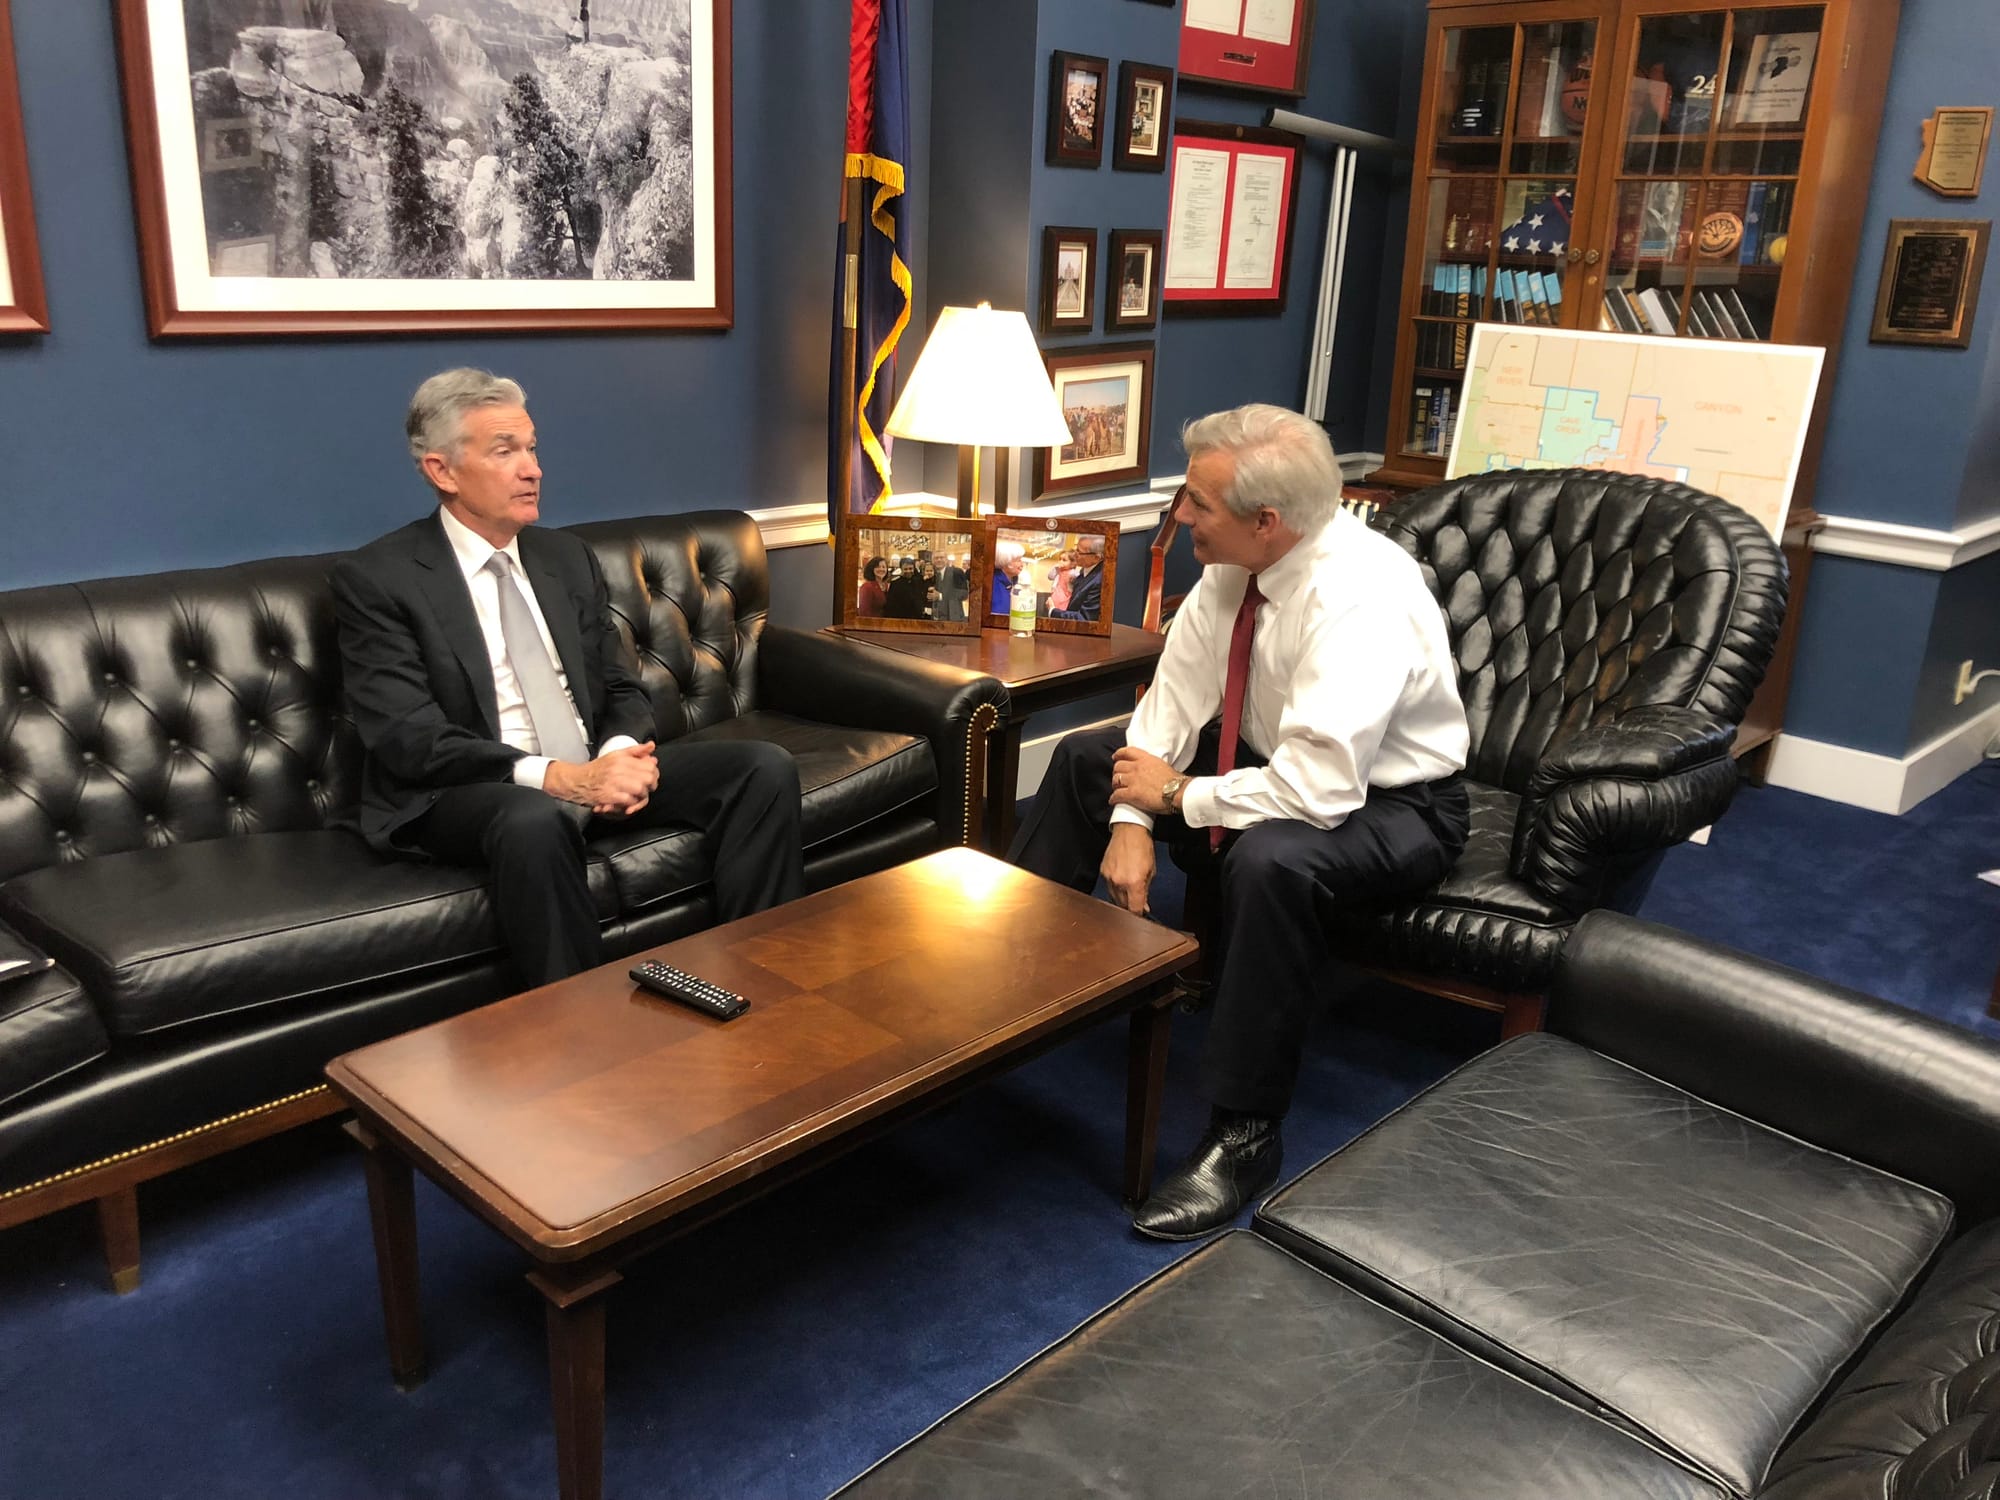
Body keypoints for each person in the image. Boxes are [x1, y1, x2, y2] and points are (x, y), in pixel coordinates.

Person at [1010, 404, 1469, 1240]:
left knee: (1273, 861)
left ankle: (1246, 1133)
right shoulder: (1238, 564)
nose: (1178, 514)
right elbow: (1171, 705)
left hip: (1396, 804)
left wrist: (1176, 798)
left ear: (1268, 520)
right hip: (1268, 764)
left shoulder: (1362, 597)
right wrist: (1130, 815)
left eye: (1198, 502)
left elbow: (1320, 790)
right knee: (1082, 759)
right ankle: (1006, 1000)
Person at [331, 368, 806, 988]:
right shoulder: (379, 578)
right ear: (442, 471)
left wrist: (613, 759)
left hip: (587, 766)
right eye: (505, 451)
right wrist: (559, 778)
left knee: (761, 768)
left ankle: (761, 981)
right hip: (472, 787)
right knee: (536, 819)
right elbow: (408, 738)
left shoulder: (564, 557)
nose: (533, 469)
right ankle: (581, 1025)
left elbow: (621, 685)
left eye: (532, 448)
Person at [1045, 534, 1106, 622]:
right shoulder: (1085, 568)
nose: (1074, 554)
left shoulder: (1100, 581)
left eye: (1079, 552)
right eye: (1075, 549)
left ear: (1096, 558)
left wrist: (1053, 610)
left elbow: (1084, 619)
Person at [991, 541, 1026, 615]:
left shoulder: (1013, 580)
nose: (1022, 564)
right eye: (1018, 560)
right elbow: (998, 616)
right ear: (1007, 562)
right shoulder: (994, 584)